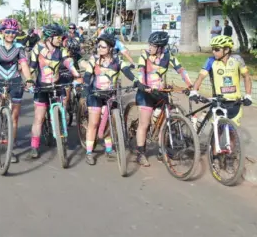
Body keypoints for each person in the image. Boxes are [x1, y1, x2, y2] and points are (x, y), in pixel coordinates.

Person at [133, 31, 193, 167]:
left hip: (160, 92)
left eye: (153, 45)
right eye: (150, 45)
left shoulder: (168, 56)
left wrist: (190, 85)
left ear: (160, 47)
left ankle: (162, 151)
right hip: (146, 92)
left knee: (164, 123)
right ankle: (140, 153)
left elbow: (181, 70)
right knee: (144, 123)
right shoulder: (144, 56)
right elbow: (141, 72)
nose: (150, 47)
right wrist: (143, 85)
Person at [0, 18, 33, 162]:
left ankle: (10, 148)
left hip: (15, 82)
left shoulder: (19, 47)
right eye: (7, 31)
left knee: (14, 118)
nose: (10, 34)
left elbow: (24, 65)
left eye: (13, 32)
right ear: (2, 32)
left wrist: (29, 80)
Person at [80, 33, 137, 165]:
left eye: (102, 47)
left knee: (108, 123)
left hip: (111, 96)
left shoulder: (118, 61)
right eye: (98, 46)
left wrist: (136, 81)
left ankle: (109, 148)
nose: (99, 48)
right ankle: (89, 152)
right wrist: (86, 86)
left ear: (110, 48)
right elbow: (88, 75)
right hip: (95, 94)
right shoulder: (94, 59)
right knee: (94, 123)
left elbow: (127, 72)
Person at [28, 23, 82, 159]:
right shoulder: (37, 49)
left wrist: (77, 75)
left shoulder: (62, 50)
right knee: (39, 118)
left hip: (57, 86)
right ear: (49, 37)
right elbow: (32, 67)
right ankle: (34, 146)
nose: (60, 39)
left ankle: (59, 130)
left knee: (62, 108)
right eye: (57, 37)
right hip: (41, 87)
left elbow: (68, 62)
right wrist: (28, 81)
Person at [190, 36, 252, 126]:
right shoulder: (210, 61)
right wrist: (194, 91)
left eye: (216, 49)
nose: (213, 51)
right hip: (218, 102)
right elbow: (201, 77)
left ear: (226, 50)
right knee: (217, 134)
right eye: (213, 49)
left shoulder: (237, 59)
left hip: (235, 103)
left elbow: (246, 77)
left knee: (233, 135)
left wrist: (248, 95)